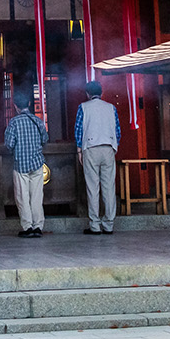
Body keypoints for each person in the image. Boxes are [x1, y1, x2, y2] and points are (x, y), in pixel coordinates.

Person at [75, 81, 119, 235]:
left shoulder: (83, 107)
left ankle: (95, 225)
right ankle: (109, 224)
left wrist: (79, 151)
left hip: (90, 148)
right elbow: (117, 131)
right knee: (109, 188)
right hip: (108, 147)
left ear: (87, 94)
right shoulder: (111, 108)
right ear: (102, 92)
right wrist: (114, 147)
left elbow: (78, 131)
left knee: (92, 188)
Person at [4, 90, 48, 238]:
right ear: (29, 104)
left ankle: (27, 226)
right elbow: (45, 139)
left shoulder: (14, 122)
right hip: (37, 163)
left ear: (16, 106)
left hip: (20, 163)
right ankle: (38, 226)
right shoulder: (38, 121)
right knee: (36, 196)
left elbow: (9, 144)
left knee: (22, 197)